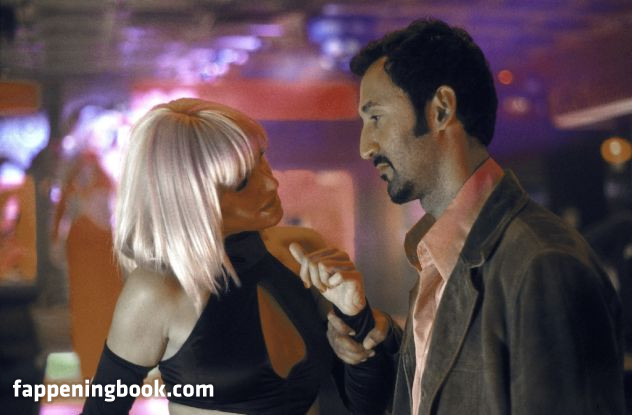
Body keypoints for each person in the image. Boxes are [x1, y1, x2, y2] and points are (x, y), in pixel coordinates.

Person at [304, 18, 624, 414]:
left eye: (376, 118)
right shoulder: (438, 254)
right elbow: (427, 398)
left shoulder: (543, 263)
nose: (365, 146)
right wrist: (364, 330)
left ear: (440, 110)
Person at [81, 98, 373, 414]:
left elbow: (364, 401)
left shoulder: (302, 249)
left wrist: (357, 317)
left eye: (262, 158)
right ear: (190, 198)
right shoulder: (156, 291)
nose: (271, 182)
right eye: (242, 181)